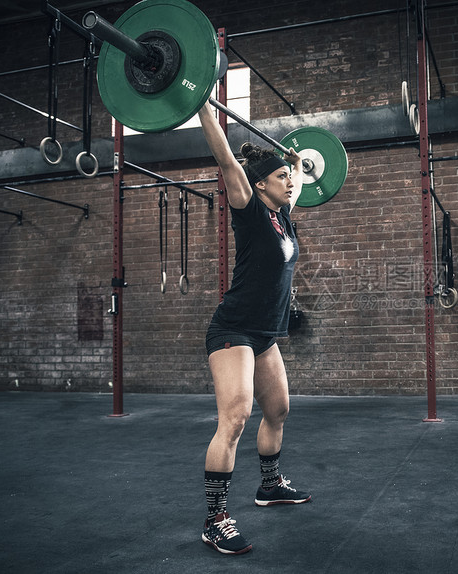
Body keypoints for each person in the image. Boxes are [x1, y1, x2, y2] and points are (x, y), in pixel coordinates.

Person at [196, 102, 311, 556]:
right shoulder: (248, 207)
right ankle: (215, 518)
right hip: (234, 328)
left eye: (288, 178)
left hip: (265, 335)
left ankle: (269, 486)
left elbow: (297, 183)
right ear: (259, 183)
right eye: (281, 177)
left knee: (278, 409)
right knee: (237, 417)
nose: (289, 184)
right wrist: (203, 105)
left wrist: (297, 165)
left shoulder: (282, 216)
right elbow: (226, 158)